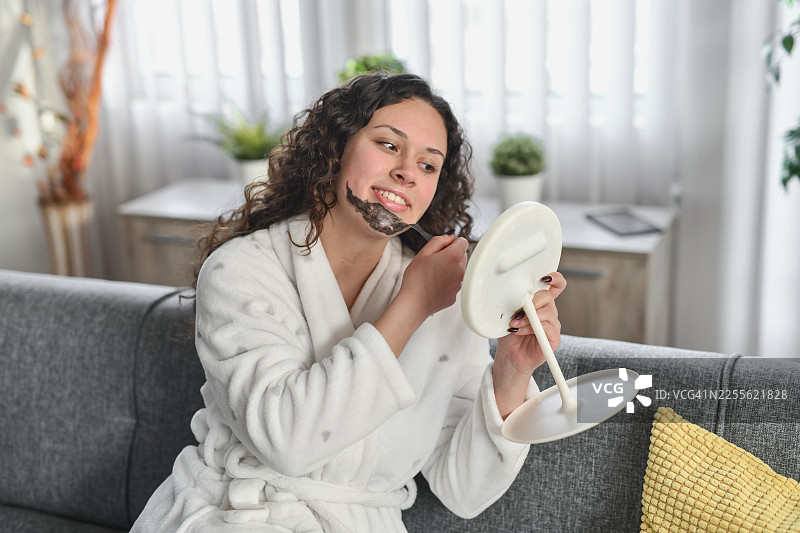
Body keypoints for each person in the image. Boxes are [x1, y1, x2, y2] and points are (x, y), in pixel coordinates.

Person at [131, 73, 566, 533]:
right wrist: (413, 304)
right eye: (388, 145)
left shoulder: (452, 301)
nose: (406, 172)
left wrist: (512, 372)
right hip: (238, 513)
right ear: (336, 148)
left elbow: (463, 492)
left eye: (428, 165)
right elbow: (288, 442)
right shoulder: (241, 269)